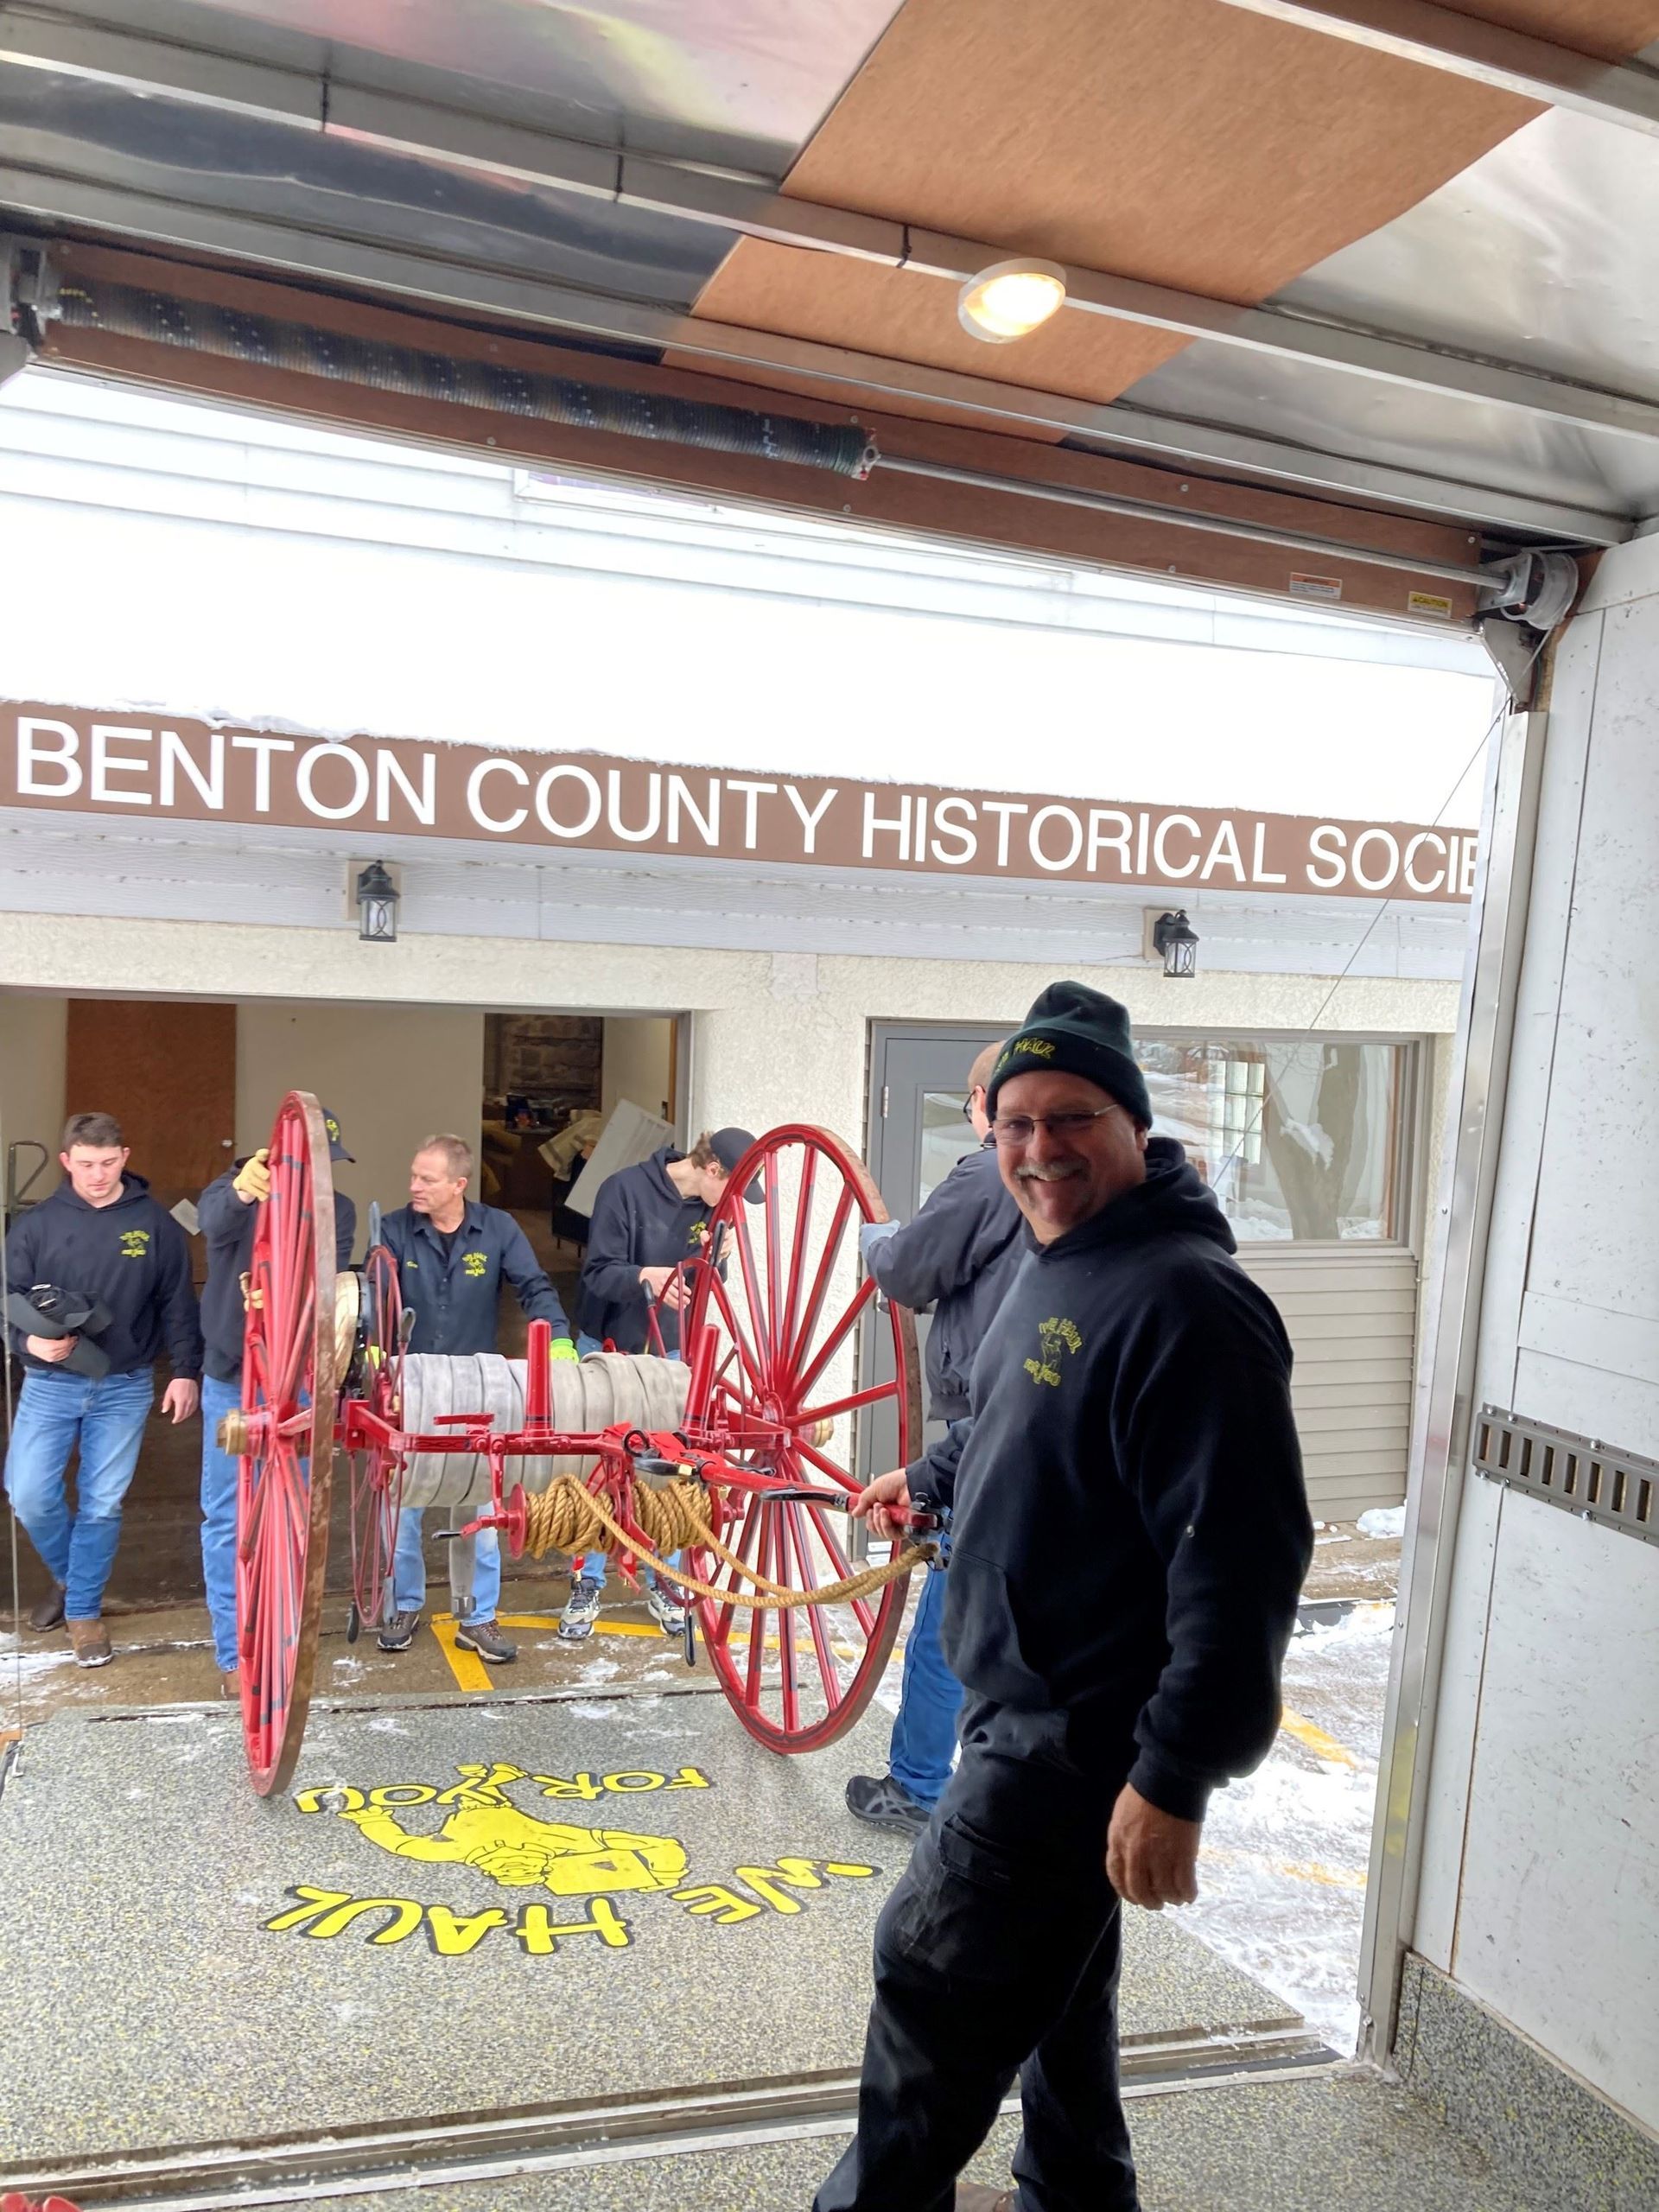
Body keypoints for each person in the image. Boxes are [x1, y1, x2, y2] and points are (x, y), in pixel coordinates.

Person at [814, 982, 1313, 2212]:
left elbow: (1242, 1561)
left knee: (928, 1980)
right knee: (1062, 2003)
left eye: (1072, 1117)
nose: (1040, 1150)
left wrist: (1175, 1777)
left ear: (1135, 1125)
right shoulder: (1059, 1262)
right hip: (1020, 1703)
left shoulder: (1188, 1305)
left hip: (1075, 1735)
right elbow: (1013, 1425)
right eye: (1015, 1126)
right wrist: (931, 1479)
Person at [847, 1040, 1023, 1837]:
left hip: (992, 1433)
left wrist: (877, 1240)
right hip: (1067, 1434)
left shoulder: (989, 1173)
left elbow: (908, 1273)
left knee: (951, 1622)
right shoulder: (1105, 1184)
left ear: (988, 1099)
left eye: (970, 1101)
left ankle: (918, 1785)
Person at [3, 1111, 202, 1668]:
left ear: (126, 1157)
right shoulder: (37, 1226)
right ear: (66, 1161)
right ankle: (71, 1578)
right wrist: (27, 1344)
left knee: (101, 1501)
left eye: (108, 1162)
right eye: (87, 1164)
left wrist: (186, 1371)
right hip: (49, 1382)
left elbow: (178, 1304)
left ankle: (84, 1612)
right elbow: (8, 1296)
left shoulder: (156, 1224)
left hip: (125, 1383)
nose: (98, 1174)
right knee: (28, 1493)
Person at [377, 1134, 575, 1664]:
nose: (414, 1186)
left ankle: (477, 1616)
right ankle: (403, 1605)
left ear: (459, 1185)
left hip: (475, 1387)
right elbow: (375, 1298)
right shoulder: (394, 1229)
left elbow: (534, 1287)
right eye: (414, 1175)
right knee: (400, 1507)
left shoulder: (499, 1229)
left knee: (478, 1507)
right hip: (408, 1384)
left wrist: (556, 1339)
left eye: (427, 1179)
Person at [561, 1126, 759, 1643]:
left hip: (671, 1351)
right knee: (598, 1467)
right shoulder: (623, 1190)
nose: (736, 1203)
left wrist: (718, 1262)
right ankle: (588, 1580)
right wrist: (645, 1277)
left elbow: (704, 1283)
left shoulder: (714, 1212)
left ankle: (664, 1579)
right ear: (712, 1170)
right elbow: (597, 1274)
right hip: (610, 1346)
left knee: (672, 1467)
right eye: (735, 1188)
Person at [196, 1109, 358, 1698]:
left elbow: (328, 1282)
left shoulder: (336, 1210)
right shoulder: (232, 1189)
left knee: (296, 1520)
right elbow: (210, 1222)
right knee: (226, 1516)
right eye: (310, 1166)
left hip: (295, 1380)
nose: (319, 1179)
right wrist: (243, 1189)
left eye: (326, 1168)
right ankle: (233, 1651)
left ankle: (285, 1642)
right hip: (232, 1374)